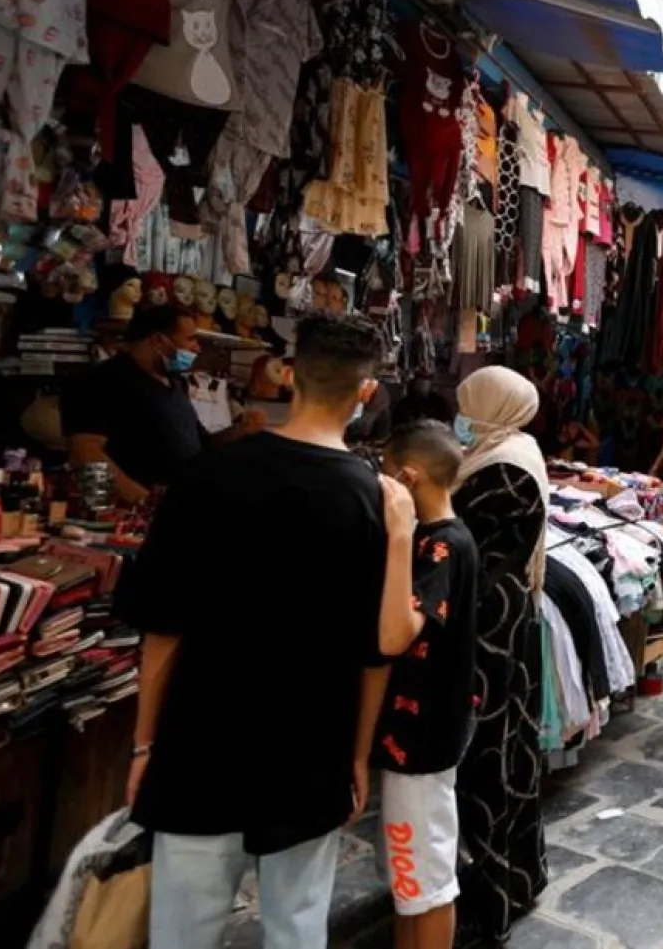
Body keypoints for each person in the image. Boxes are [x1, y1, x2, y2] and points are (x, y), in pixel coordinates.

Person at [120, 314, 417, 949]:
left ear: (287, 375)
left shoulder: (208, 475)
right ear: (366, 393)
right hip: (312, 741)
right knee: (297, 925)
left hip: (201, 736)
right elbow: (377, 653)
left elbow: (163, 626)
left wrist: (145, 744)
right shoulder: (379, 502)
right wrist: (358, 755)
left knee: (181, 928)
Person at [449, 366, 551, 947]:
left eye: (467, 404)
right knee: (510, 752)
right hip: (508, 616)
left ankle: (489, 903)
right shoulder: (515, 450)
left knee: (491, 756)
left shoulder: (502, 470)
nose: (461, 415)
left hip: (491, 624)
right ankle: (516, 876)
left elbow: (468, 543)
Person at [373, 421, 480, 949]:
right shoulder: (444, 540)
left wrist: (395, 535)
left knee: (426, 878)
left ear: (409, 478)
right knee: (412, 873)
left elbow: (395, 634)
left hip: (422, 738)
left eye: (389, 477)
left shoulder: (442, 547)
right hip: (419, 735)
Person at [63, 305, 265, 502]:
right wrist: (140, 500)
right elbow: (85, 451)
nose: (197, 348)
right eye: (190, 339)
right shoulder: (103, 380)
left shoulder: (175, 384)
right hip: (131, 517)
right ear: (158, 340)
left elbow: (201, 444)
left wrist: (240, 430)